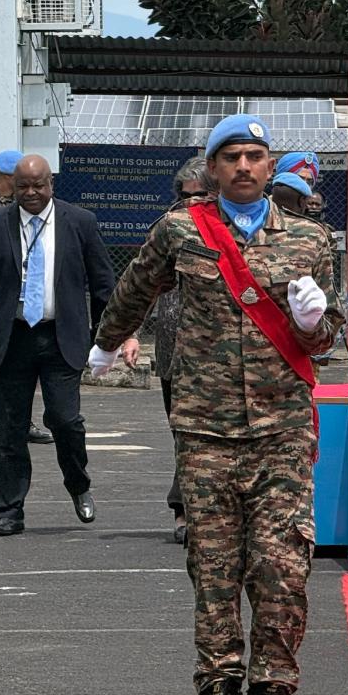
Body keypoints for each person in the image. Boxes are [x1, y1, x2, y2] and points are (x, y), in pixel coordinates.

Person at [89, 114, 341, 695]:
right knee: (215, 573)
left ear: (270, 165)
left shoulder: (310, 240)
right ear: (213, 168)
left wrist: (313, 321)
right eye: (231, 157)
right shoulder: (181, 231)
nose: (244, 166)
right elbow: (136, 287)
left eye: (255, 155)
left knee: (282, 568)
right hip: (206, 430)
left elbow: (325, 340)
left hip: (282, 430)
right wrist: (107, 342)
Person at [0, 155, 133, 537]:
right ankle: (10, 511)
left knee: (66, 420)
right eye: (23, 186)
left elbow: (103, 285)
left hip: (61, 337)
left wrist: (115, 336)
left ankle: (78, 484)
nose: (31, 193)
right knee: (10, 429)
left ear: (51, 183)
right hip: (12, 338)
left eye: (39, 185)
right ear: (12, 186)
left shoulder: (80, 222)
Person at [155, 156, 215, 544]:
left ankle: (193, 511)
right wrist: (126, 336)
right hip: (172, 349)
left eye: (201, 194)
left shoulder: (230, 229)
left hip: (216, 353)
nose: (192, 201)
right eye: (185, 194)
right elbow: (141, 282)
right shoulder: (168, 227)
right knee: (183, 432)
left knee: (203, 436)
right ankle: (186, 509)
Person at [0, 150, 51, 445]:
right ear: (7, 177)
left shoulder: (24, 207)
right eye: (21, 180)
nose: (29, 187)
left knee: (23, 361)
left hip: (19, 296)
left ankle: (21, 420)